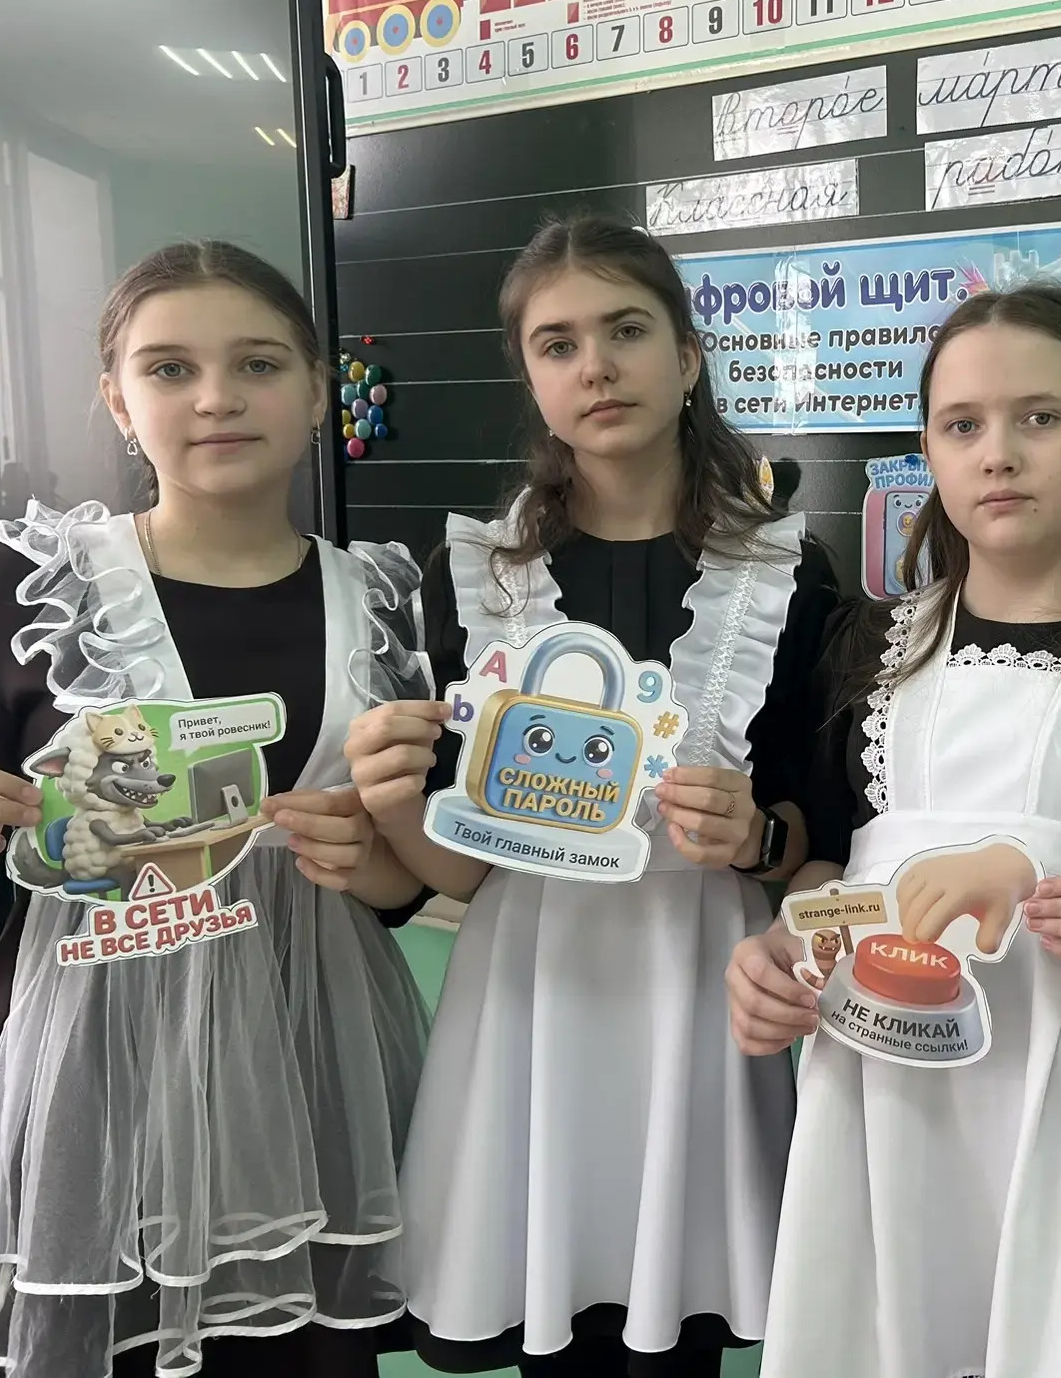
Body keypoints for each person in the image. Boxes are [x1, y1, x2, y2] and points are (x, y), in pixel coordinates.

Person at [728, 282, 1061, 1377]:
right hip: (883, 1122)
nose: (998, 455)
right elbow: (828, 864)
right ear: (929, 450)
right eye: (962, 425)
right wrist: (782, 949)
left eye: (1041, 418)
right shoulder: (861, 649)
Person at [345, 214, 837, 1377]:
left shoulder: (787, 570)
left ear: (688, 357)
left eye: (627, 331)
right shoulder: (475, 574)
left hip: (702, 975)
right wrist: (392, 800)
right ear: (532, 376)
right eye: (558, 344)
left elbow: (817, 827)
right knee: (551, 1316)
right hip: (533, 987)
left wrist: (756, 833)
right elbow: (462, 868)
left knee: (679, 1329)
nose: (597, 367)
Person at [0, 240, 434, 1377]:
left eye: (258, 364)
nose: (216, 397)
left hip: (314, 1069)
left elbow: (404, 885)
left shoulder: (385, 600)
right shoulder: (22, 587)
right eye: (169, 369)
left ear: (315, 390)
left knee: (304, 1357)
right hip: (85, 1076)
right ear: (120, 402)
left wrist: (367, 859)